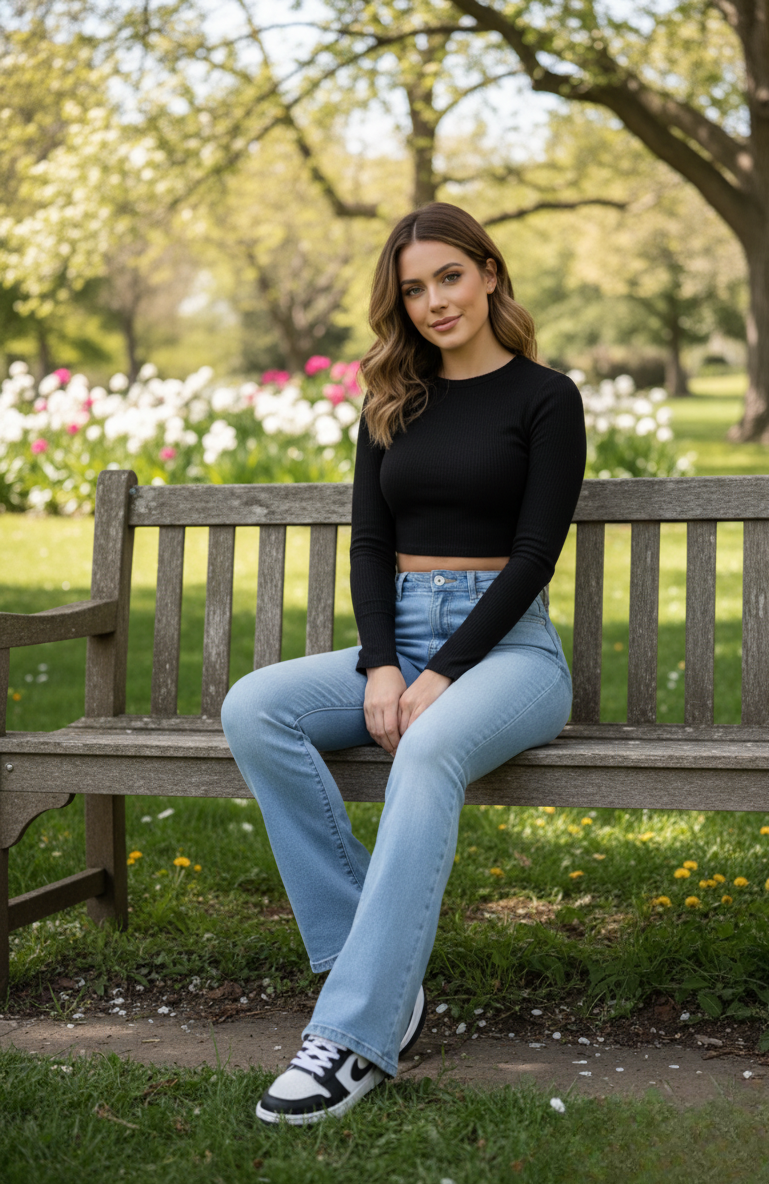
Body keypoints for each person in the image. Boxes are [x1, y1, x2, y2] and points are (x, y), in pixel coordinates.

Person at [221, 201, 587, 1125]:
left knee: (426, 748)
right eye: (415, 289)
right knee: (255, 707)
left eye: (450, 277)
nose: (435, 302)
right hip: (406, 640)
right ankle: (373, 964)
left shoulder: (548, 398)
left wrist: (442, 674)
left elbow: (535, 555)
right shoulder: (391, 399)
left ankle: (353, 1033)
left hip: (510, 652)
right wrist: (383, 664)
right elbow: (369, 545)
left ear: (490, 274)